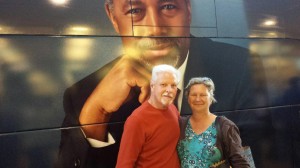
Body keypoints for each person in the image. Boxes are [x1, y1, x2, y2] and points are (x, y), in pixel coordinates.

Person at [56, 0, 266, 167]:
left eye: (168, 6)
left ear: (188, 9)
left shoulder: (240, 67)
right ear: (113, 16)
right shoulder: (84, 96)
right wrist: (95, 116)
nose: (155, 28)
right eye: (134, 11)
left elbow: (256, 157)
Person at [116, 64, 180, 168]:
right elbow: (124, 164)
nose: (169, 90)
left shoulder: (173, 109)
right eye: (163, 84)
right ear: (152, 86)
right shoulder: (137, 120)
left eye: (173, 85)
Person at [177, 77, 250, 168]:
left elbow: (241, 163)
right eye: (194, 95)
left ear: (211, 99)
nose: (198, 99)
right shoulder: (181, 124)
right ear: (188, 98)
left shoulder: (225, 126)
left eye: (203, 95)